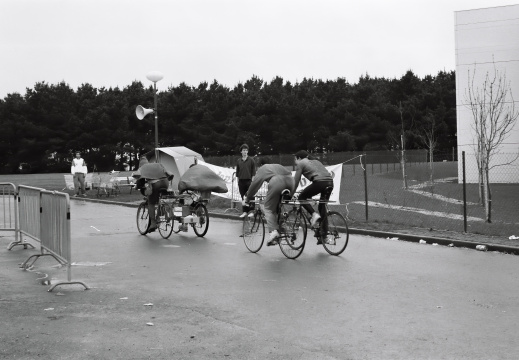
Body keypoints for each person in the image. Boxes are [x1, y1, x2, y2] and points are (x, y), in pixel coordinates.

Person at [242, 157, 294, 246]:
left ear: (260, 165)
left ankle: (274, 232)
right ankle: (284, 228)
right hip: (291, 182)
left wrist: (248, 197)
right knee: (277, 207)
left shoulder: (263, 168)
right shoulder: (277, 166)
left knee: (267, 208)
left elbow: (255, 185)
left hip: (277, 182)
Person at [292, 150, 334, 244]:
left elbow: (295, 182)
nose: (295, 162)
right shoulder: (316, 161)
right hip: (330, 183)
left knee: (301, 198)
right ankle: (324, 235)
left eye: (295, 159)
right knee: (322, 207)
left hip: (319, 183)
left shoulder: (301, 163)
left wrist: (291, 194)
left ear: (299, 158)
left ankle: (314, 215)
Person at [133, 159, 173, 233]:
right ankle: (161, 215)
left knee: (151, 203)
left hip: (156, 184)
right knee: (161, 201)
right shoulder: (157, 165)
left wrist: (137, 187)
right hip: (166, 183)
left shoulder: (142, 168)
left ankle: (153, 223)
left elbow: (140, 181)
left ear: (140, 165)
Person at [236, 144, 257, 218]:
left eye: (246, 150)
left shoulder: (251, 160)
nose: (245, 152)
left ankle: (252, 211)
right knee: (243, 197)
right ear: (241, 152)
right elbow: (237, 172)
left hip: (249, 181)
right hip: (241, 181)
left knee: (250, 196)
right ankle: (245, 211)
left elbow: (253, 172)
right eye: (243, 150)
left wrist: (252, 181)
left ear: (247, 151)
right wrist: (238, 181)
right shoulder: (239, 161)